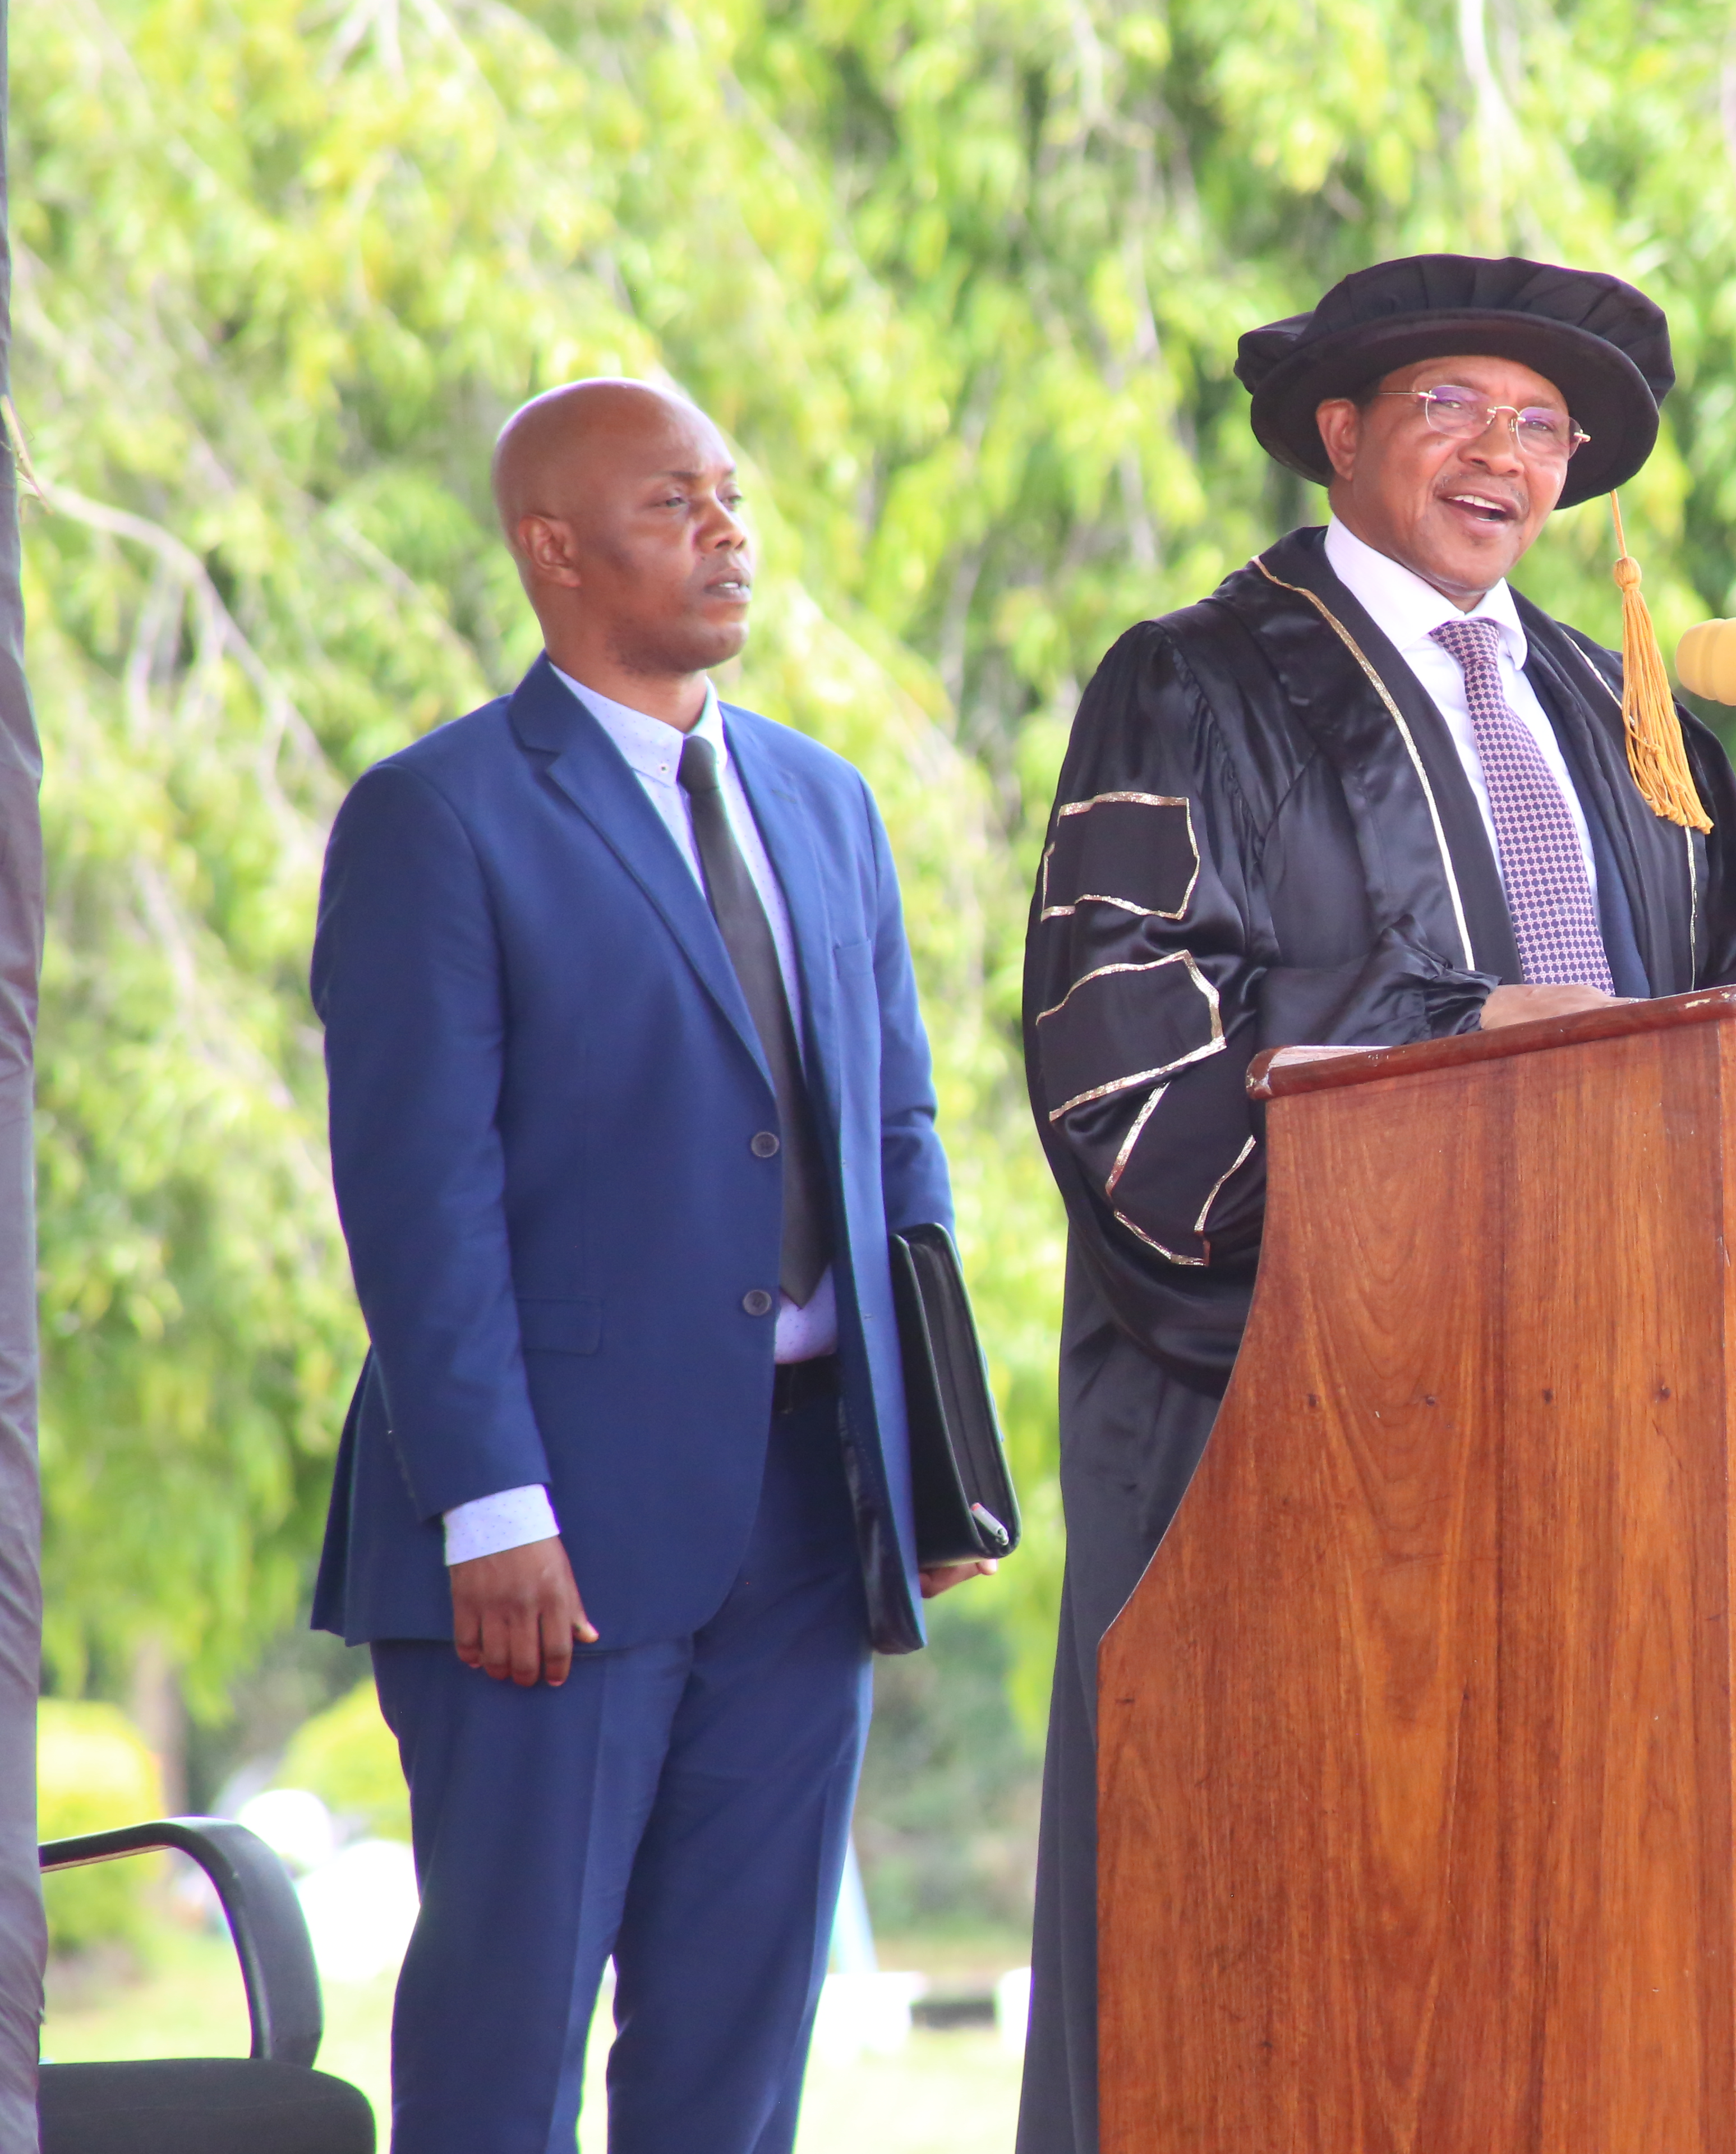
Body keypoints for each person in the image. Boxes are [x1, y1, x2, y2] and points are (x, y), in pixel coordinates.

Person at [1011, 252, 1736, 2151]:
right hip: (1287, 1425)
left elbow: (1730, 965)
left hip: (1604, 1420)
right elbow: (1124, 1051)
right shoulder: (1194, 686)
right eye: (1455, 409)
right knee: (1281, 1979)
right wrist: (1461, 1036)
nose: (1507, 457)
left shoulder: (1610, 707)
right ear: (1339, 431)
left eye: (1544, 427)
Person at [310, 378, 985, 2153]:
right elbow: (415, 1194)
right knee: (505, 2039)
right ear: (556, 547)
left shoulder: (825, 801)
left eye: (733, 495)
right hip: (547, 1536)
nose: (729, 531)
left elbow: (897, 1135)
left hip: (806, 1508)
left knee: (739, 2045)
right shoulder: (437, 817)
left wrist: (929, 1451)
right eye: (678, 502)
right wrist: (490, 1507)